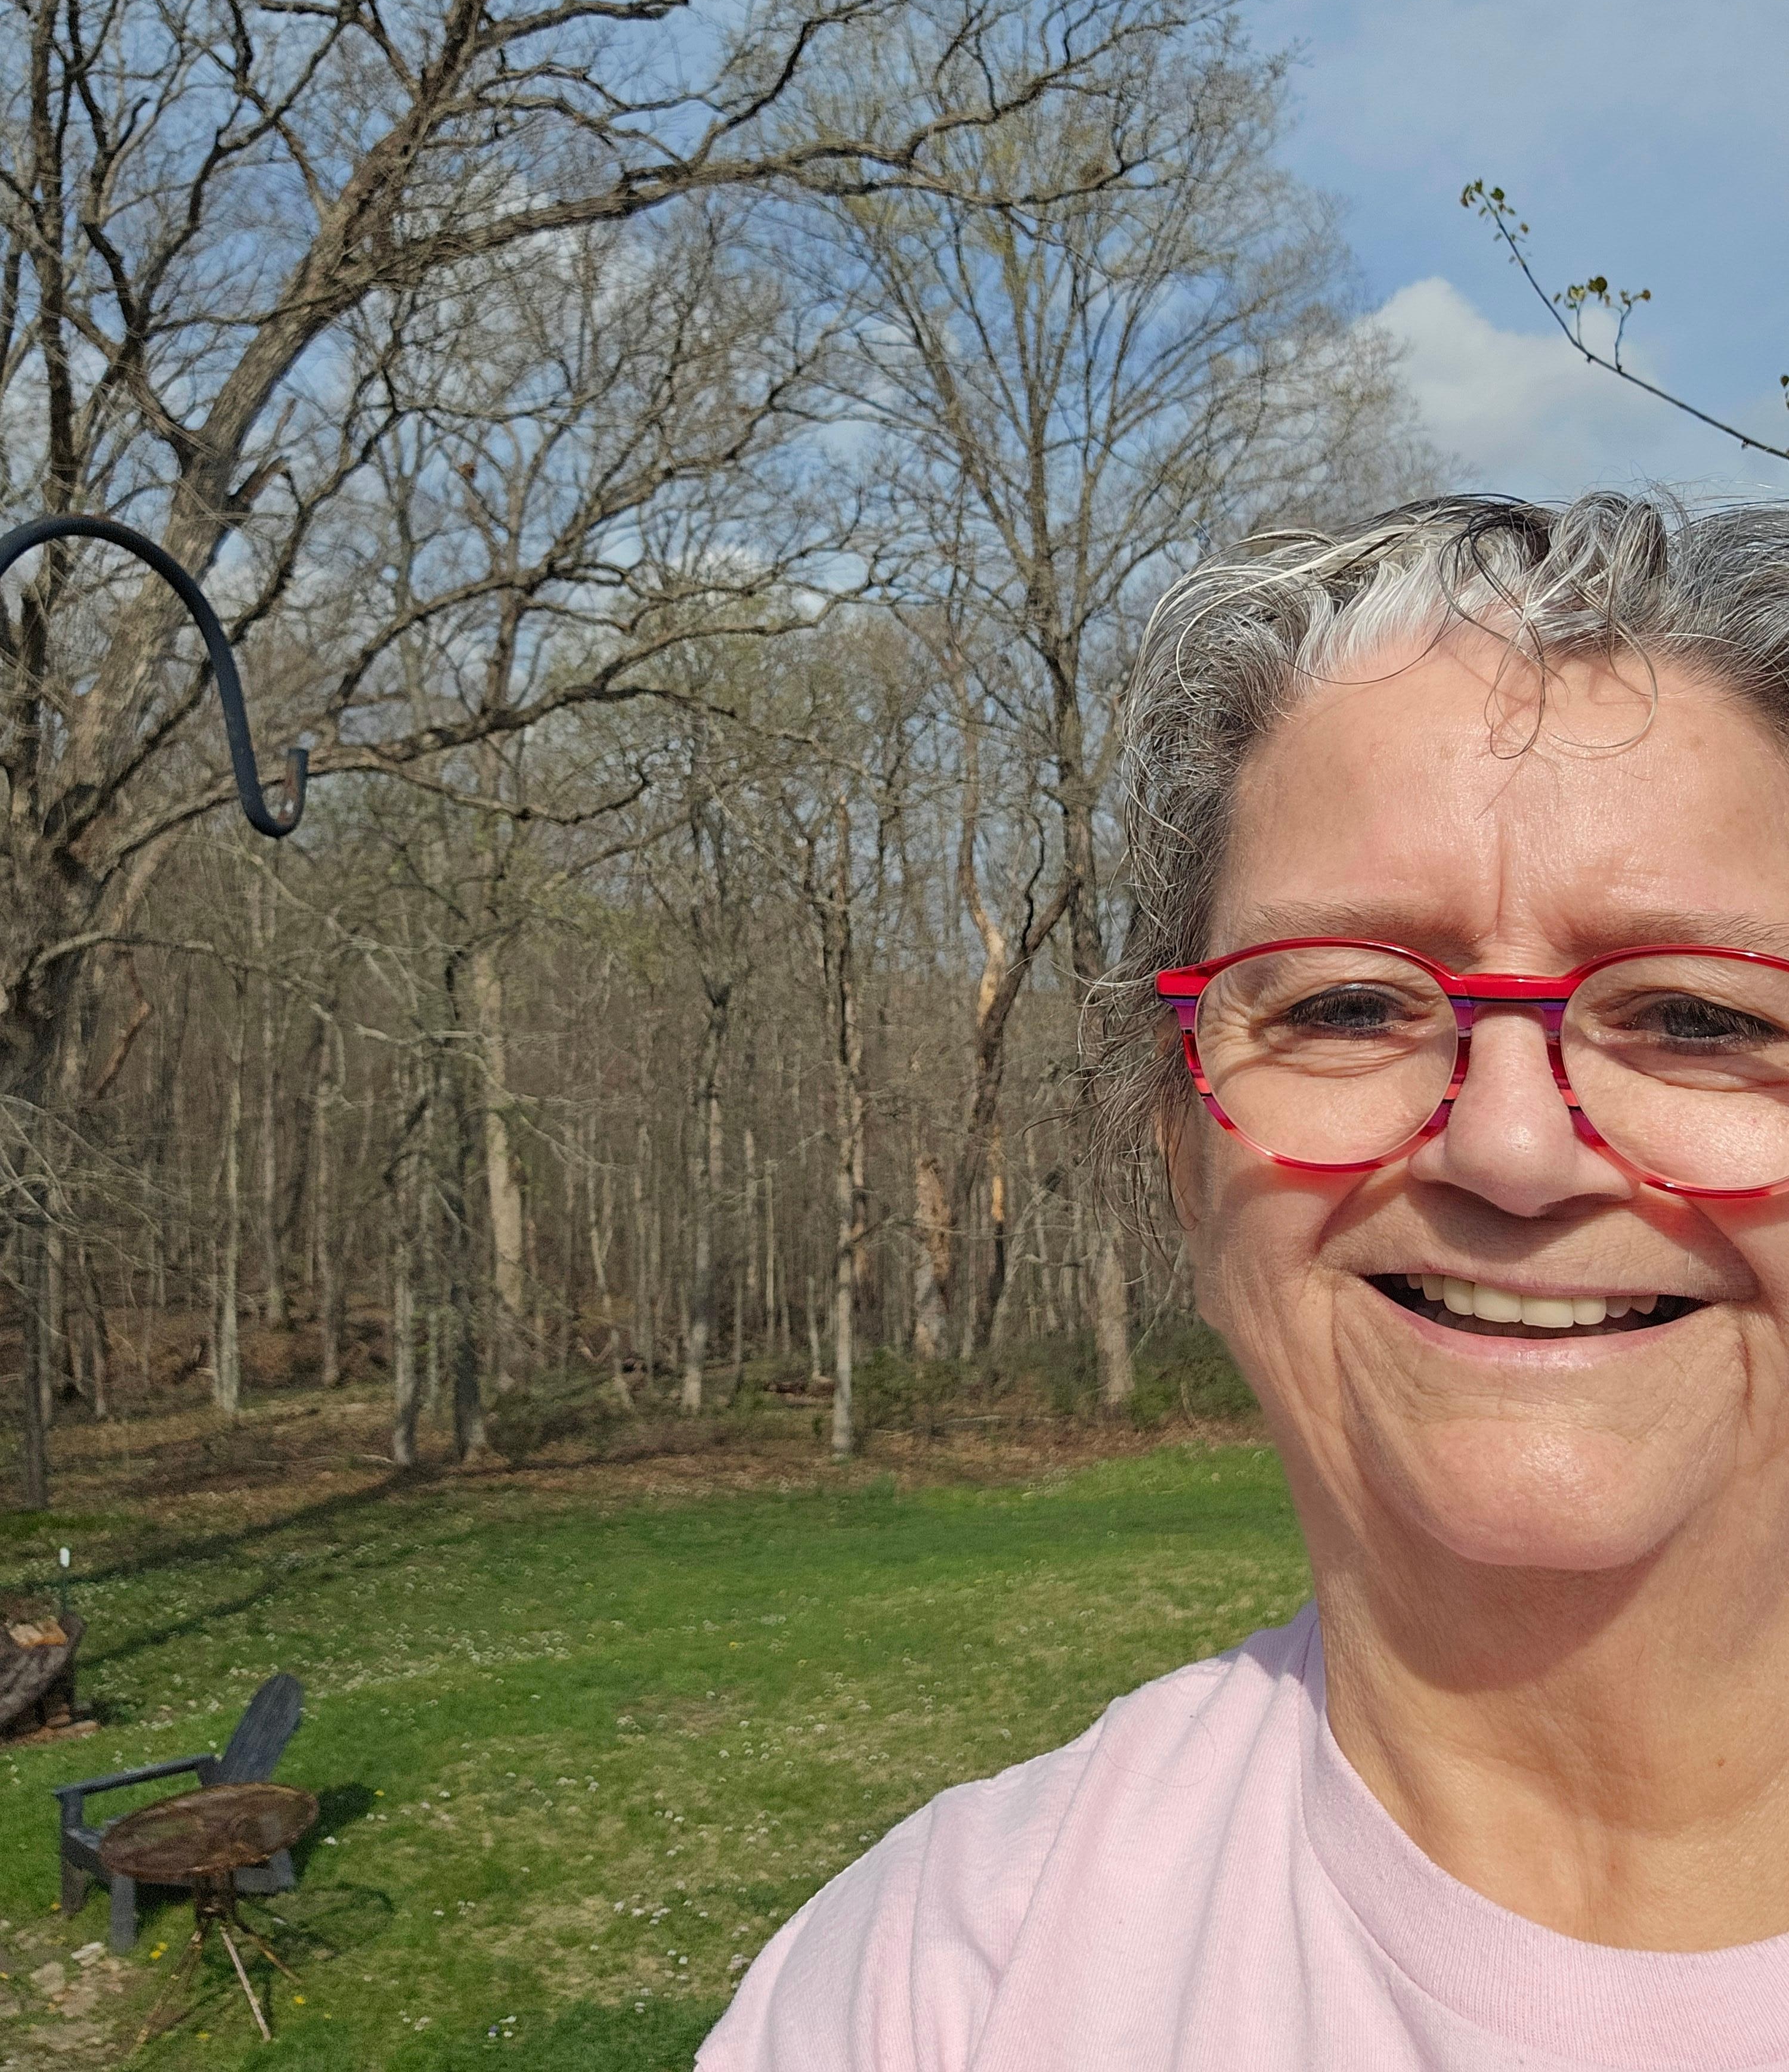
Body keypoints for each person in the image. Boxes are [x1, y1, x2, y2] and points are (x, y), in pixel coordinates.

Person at [698, 493, 1789, 2070]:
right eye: (1349, 1006)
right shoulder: (936, 1989)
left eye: (1698, 1017)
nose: (1511, 1147)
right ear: (1182, 1152)